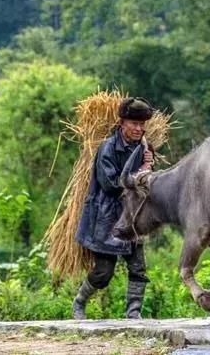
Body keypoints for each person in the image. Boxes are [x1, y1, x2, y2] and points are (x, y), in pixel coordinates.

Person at [72, 97, 155, 320]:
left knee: (138, 269)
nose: (139, 128)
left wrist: (149, 166)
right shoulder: (108, 148)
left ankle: (133, 314)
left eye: (141, 124)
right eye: (134, 124)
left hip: (133, 217)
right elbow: (110, 184)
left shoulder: (145, 147)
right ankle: (79, 302)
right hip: (107, 219)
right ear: (122, 124)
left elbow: (148, 182)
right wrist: (141, 173)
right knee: (103, 273)